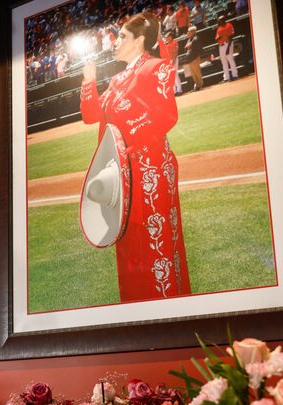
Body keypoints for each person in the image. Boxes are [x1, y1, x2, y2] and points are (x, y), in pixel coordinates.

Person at [80, 13, 191, 301]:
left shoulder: (158, 68)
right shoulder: (116, 81)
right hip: (125, 173)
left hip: (151, 169)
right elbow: (91, 115)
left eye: (123, 37)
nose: (115, 42)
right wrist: (89, 82)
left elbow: (166, 115)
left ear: (140, 40)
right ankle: (137, 306)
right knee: (129, 244)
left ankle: (167, 306)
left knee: (156, 243)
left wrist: (130, 148)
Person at [215, 15, 238, 82]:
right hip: (221, 45)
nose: (218, 21)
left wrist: (228, 48)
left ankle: (235, 75)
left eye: (219, 20)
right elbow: (216, 38)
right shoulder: (219, 28)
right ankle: (226, 77)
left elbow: (231, 37)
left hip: (228, 44)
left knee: (230, 60)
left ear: (223, 20)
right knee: (224, 62)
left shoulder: (229, 25)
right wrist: (218, 38)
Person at [183, 26, 204, 91]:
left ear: (193, 32)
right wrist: (188, 46)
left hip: (195, 58)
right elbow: (185, 47)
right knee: (193, 74)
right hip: (190, 59)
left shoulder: (195, 38)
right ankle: (196, 85)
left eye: (189, 32)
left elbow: (191, 47)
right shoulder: (189, 39)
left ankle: (200, 85)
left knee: (197, 73)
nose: (188, 33)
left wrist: (188, 46)